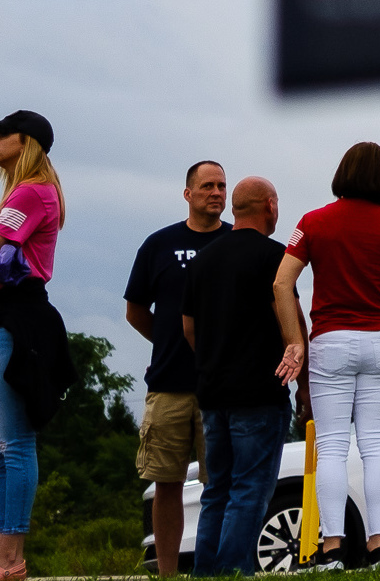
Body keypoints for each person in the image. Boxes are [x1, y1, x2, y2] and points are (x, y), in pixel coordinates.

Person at [273, 141, 380, 571]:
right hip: (379, 340)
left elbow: (282, 284)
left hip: (331, 342)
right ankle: (379, 547)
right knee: (376, 443)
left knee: (334, 447)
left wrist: (294, 343)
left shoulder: (312, 222)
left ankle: (334, 548)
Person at [0, 109, 70, 581]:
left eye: (1, 134)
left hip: (14, 318)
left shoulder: (32, 191)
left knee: (14, 443)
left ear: (26, 142)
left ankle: (8, 557)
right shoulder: (17, 193)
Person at [181, 177, 293, 576]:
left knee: (217, 491)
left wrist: (215, 360)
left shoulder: (202, 261)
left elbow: (188, 327)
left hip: (213, 392)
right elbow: (289, 323)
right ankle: (232, 571)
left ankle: (206, 571)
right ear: (270, 205)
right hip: (261, 391)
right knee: (250, 489)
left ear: (234, 208)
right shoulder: (274, 258)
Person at [127, 161, 228, 576]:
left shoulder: (236, 242)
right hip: (168, 383)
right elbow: (135, 311)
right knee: (165, 483)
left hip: (221, 386)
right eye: (207, 186)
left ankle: (217, 568)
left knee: (220, 484)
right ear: (188, 193)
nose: (217, 193)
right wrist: (173, 344)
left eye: (222, 186)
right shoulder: (159, 244)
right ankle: (167, 572)